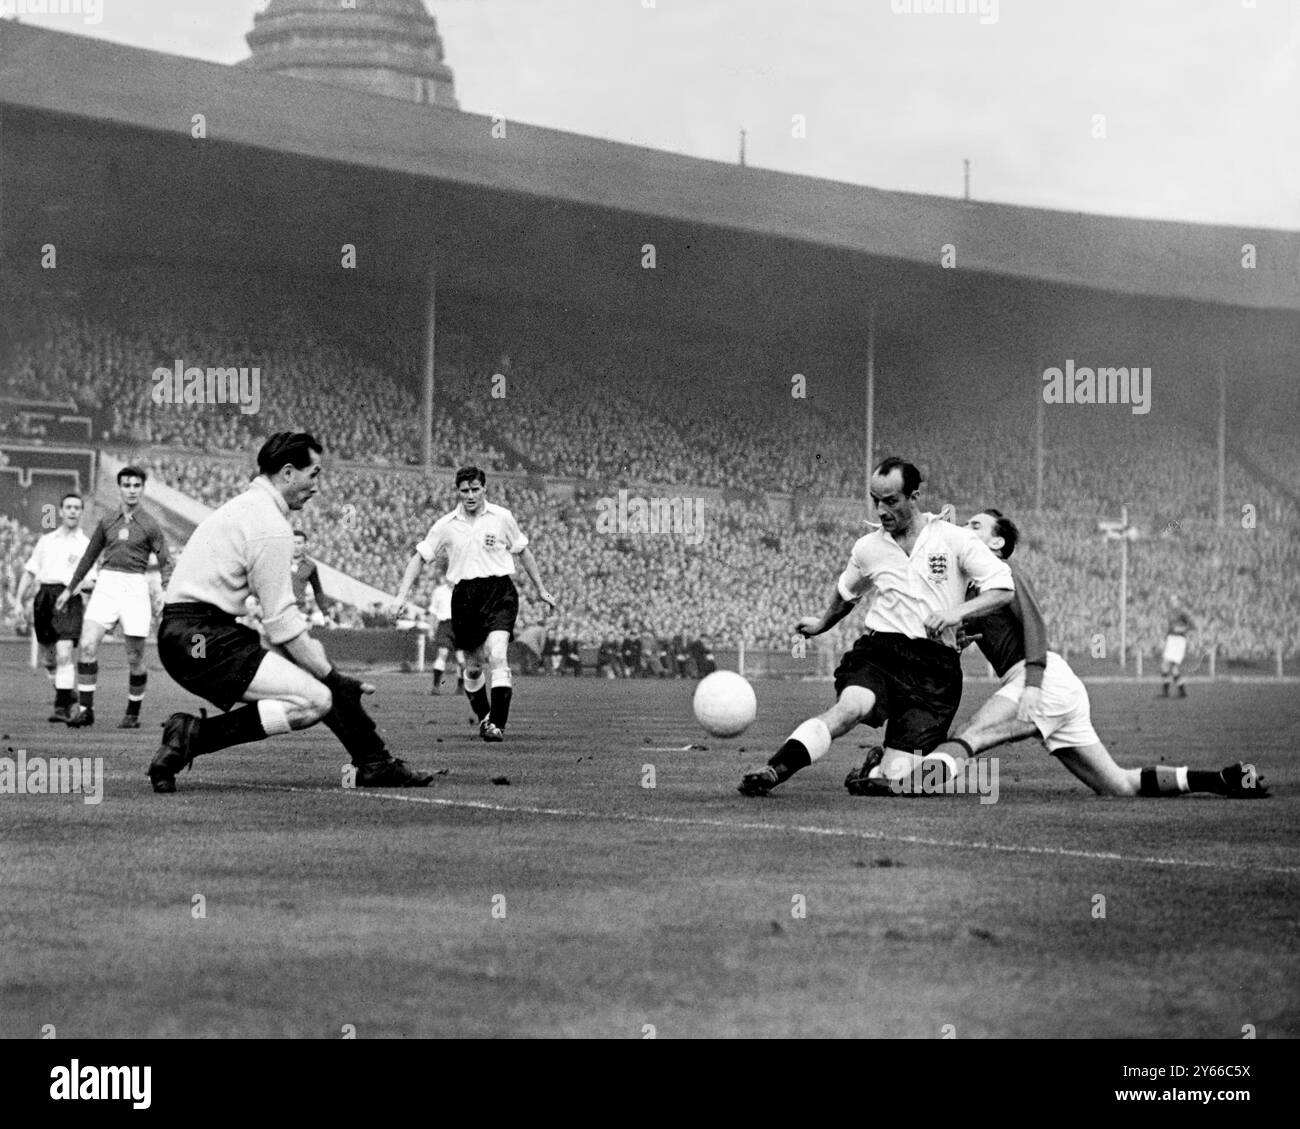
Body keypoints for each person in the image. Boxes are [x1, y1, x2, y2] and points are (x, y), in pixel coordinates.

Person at [884, 509, 1268, 799]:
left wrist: (1033, 683)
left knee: (972, 736)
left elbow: (1036, 626)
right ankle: (1220, 780)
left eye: (976, 526)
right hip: (1055, 685)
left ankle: (905, 785)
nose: (966, 531)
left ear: (998, 543)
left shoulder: (1001, 571)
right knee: (1117, 786)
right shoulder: (974, 589)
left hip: (1040, 679)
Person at [149, 431, 434, 793]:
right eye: (313, 474)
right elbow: (281, 622)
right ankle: (193, 736)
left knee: (315, 682)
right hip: (200, 638)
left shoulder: (248, 509)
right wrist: (333, 676)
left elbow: (275, 626)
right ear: (287, 473)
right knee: (316, 698)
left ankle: (374, 762)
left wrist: (321, 669)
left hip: (192, 635)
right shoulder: (270, 525)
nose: (317, 485)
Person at [739, 457, 1015, 796]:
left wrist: (955, 613)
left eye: (891, 500)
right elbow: (847, 592)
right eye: (876, 500)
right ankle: (774, 770)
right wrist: (823, 623)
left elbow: (1002, 588)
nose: (882, 510)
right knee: (849, 708)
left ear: (914, 496)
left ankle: (877, 767)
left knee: (899, 781)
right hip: (882, 653)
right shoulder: (869, 548)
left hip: (934, 670)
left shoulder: (954, 539)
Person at [393, 466, 557, 742]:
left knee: (497, 654)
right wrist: (401, 595)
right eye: (464, 490)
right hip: (465, 598)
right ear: (458, 491)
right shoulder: (446, 524)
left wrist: (541, 589)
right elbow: (419, 558)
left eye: (474, 489)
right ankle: (485, 718)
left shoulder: (502, 517)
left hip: (500, 592)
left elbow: (523, 551)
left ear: (484, 489)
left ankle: (497, 725)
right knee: (473, 668)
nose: (469, 495)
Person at [56, 466, 172, 729]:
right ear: (119, 488)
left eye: (136, 486)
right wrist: (69, 588)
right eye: (127, 485)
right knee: (86, 645)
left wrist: (165, 590)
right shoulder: (107, 520)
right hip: (106, 585)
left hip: (135, 588)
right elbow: (88, 557)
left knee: (135, 658)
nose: (131, 490)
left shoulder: (150, 524)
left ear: (142, 489)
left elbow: (166, 561)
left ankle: (132, 713)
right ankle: (86, 710)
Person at [15, 494, 92, 723]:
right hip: (44, 598)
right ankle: (67, 693)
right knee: (49, 659)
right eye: (68, 507)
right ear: (60, 511)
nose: (72, 511)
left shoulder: (86, 545)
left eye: (77, 508)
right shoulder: (46, 541)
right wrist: (19, 600)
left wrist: (78, 587)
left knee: (65, 653)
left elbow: (93, 580)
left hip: (69, 598)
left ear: (81, 512)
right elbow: (30, 571)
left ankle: (61, 708)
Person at [427, 569, 462, 694]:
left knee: (461, 658)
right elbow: (432, 612)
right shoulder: (438, 592)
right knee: (442, 653)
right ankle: (436, 687)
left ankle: (460, 688)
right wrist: (431, 629)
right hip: (445, 625)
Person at [290, 530, 332, 620]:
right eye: (293, 543)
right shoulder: (280, 561)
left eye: (299, 543)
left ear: (305, 545)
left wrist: (325, 613)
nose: (296, 546)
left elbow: (317, 591)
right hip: (279, 610)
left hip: (299, 611)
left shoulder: (310, 566)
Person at [1160, 596, 1194, 698]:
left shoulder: (1182, 613)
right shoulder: (1170, 613)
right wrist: (1165, 638)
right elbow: (1170, 627)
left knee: (1167, 665)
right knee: (1170, 667)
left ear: (1179, 602)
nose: (1173, 602)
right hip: (1171, 639)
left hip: (1179, 640)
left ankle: (1167, 692)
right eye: (1172, 601)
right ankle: (1181, 691)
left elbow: (1192, 626)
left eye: (1175, 601)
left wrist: (1181, 629)